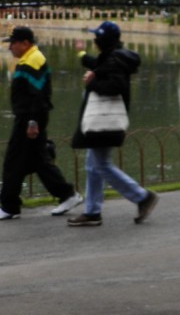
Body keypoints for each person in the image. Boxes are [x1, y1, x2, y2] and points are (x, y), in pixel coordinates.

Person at [66, 21, 158, 227]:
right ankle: (92, 212)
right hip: (103, 119)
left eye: (96, 38)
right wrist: (82, 56)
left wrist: (93, 82)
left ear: (103, 40)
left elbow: (116, 85)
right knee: (92, 165)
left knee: (101, 165)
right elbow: (100, 68)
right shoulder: (112, 57)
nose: (94, 41)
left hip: (105, 119)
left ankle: (142, 197)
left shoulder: (114, 59)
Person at [1, 26, 83, 220]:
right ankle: (66, 194)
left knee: (14, 160)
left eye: (13, 43)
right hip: (29, 118)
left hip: (29, 119)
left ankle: (9, 206)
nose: (10, 46)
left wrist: (32, 122)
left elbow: (37, 96)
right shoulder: (28, 59)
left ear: (25, 43)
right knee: (36, 161)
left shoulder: (33, 60)